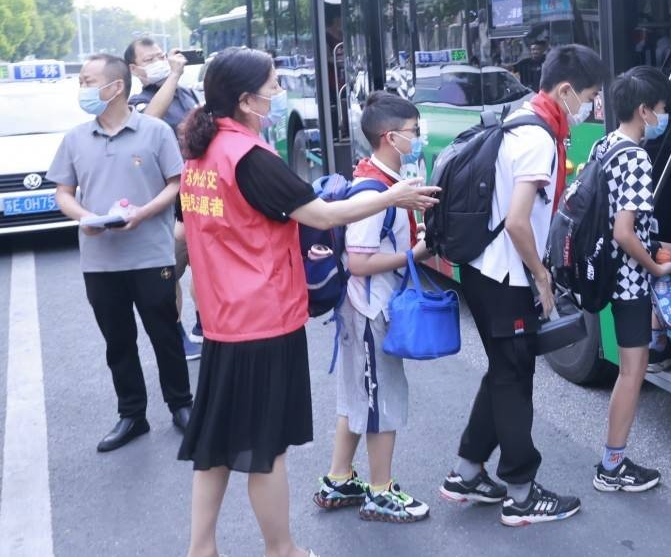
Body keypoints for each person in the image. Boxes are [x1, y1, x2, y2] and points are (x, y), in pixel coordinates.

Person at [176, 48, 439, 557]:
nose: (279, 94)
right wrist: (392, 197)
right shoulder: (248, 157)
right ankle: (283, 551)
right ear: (246, 100)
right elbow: (323, 215)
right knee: (266, 451)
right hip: (263, 319)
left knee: (217, 445)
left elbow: (194, 234)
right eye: (273, 86)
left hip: (223, 318)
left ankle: (200, 549)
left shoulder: (202, 153)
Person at [440, 43, 606, 526]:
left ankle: (467, 472)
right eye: (589, 98)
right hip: (504, 275)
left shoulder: (523, 117)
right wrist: (541, 275)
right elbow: (517, 221)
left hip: (485, 269)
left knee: (504, 371)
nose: (590, 107)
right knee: (514, 378)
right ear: (566, 90)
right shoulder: (537, 137)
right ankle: (521, 493)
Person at [48, 54, 193, 452]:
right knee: (118, 341)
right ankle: (132, 414)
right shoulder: (76, 138)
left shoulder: (154, 132)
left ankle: (182, 405)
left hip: (151, 256)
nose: (82, 88)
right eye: (81, 81)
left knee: (164, 334)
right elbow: (63, 192)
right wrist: (86, 217)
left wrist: (144, 213)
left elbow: (176, 183)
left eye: (88, 80)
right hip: (100, 260)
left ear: (115, 87)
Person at [314, 92, 434, 524]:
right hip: (369, 309)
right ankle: (380, 493)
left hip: (361, 308)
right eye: (414, 132)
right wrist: (415, 255)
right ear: (390, 137)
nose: (418, 139)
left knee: (356, 396)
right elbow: (359, 262)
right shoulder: (375, 192)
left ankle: (339, 478)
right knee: (381, 401)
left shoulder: (380, 180)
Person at [591, 66, 671, 493]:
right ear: (645, 111)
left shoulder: (605, 144)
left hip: (608, 268)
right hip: (627, 277)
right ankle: (612, 466)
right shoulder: (636, 158)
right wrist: (654, 266)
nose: (664, 116)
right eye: (662, 108)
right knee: (632, 372)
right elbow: (624, 231)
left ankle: (662, 336)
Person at [126, 36, 203, 359]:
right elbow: (150, 122)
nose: (160, 62)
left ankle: (205, 323)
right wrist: (172, 75)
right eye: (150, 60)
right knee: (169, 271)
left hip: (199, 193)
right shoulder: (137, 101)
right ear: (134, 69)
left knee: (206, 264)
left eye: (161, 55)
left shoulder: (186, 93)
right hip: (166, 199)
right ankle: (177, 333)